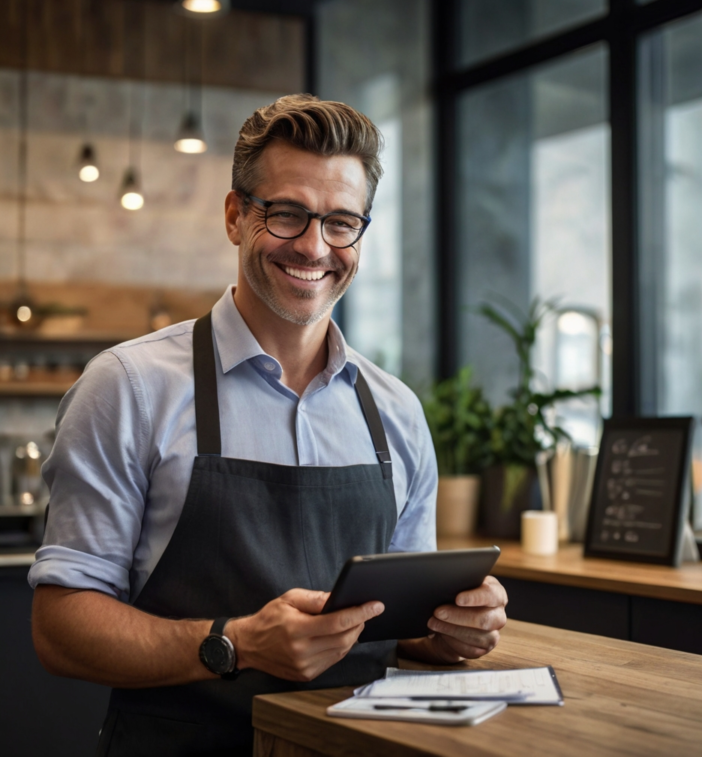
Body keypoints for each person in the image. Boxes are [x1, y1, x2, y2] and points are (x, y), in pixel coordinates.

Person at [29, 94, 508, 756]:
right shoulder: (128, 388)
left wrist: (450, 629)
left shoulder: (396, 411)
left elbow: (397, 630)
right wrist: (240, 643)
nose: (314, 246)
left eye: (341, 222)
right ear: (235, 216)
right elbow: (61, 629)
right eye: (287, 214)